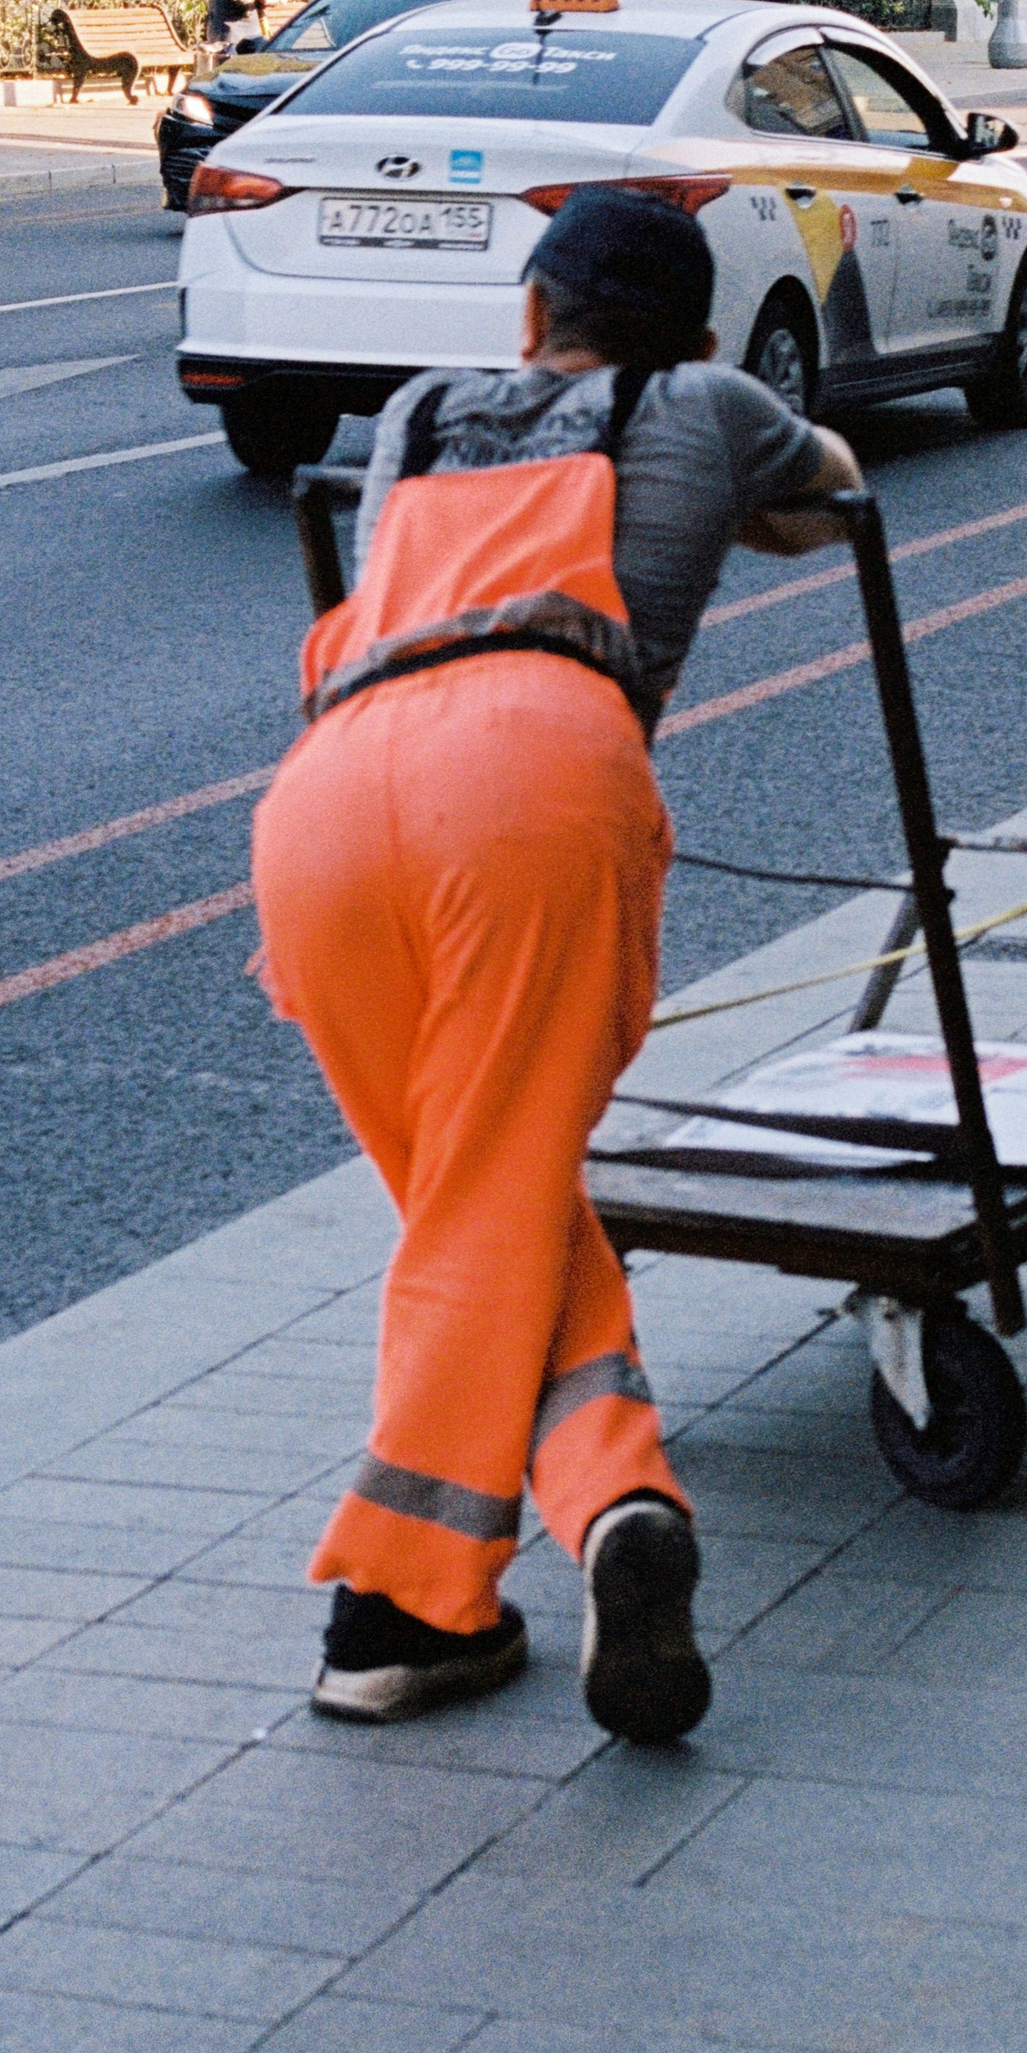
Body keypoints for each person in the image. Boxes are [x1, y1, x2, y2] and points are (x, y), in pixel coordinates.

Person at [252, 187, 861, 1743]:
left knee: (484, 1197)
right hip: (532, 777)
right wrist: (738, 480)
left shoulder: (420, 412)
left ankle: (609, 1502)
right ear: (706, 335)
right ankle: (395, 1606)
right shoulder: (716, 405)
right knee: (494, 1190)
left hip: (329, 793)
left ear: (530, 316)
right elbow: (833, 491)